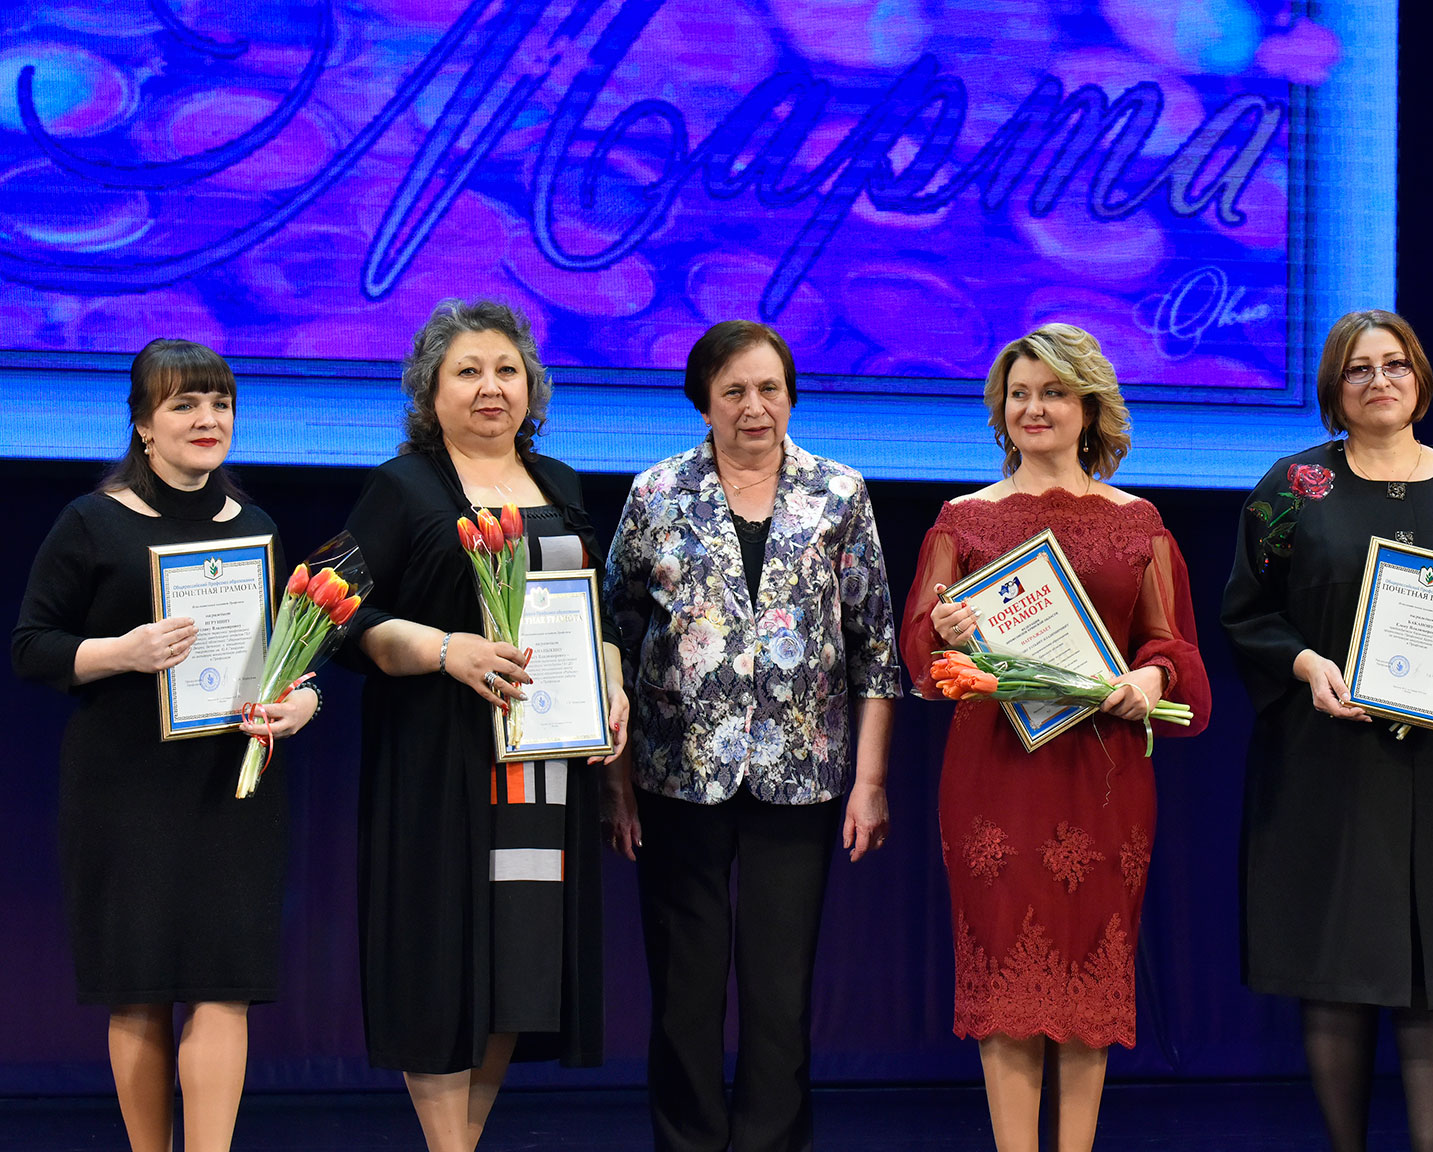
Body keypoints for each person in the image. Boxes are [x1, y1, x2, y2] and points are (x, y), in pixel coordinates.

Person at [1220, 310, 1433, 1152]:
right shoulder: (1293, 486)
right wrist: (1305, 666)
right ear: (1334, 388)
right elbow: (1247, 612)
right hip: (1328, 758)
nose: (1379, 381)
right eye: (1357, 369)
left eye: (1394, 364)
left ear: (1420, 378)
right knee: (1337, 963)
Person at [899, 323, 1211, 1152]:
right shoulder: (962, 520)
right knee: (1008, 981)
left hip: (1104, 777)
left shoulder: (1140, 521)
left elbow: (1172, 644)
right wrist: (946, 631)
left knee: (1089, 979)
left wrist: (1152, 681)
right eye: (1020, 394)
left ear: (1090, 407)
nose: (1033, 408)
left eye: (1054, 393)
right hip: (995, 779)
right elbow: (921, 658)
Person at [12, 338, 319, 1152]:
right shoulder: (92, 522)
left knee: (224, 985)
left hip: (232, 788)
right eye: (184, 404)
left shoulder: (255, 528)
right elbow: (31, 646)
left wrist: (302, 702)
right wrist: (122, 651)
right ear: (144, 425)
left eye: (220, 403)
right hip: (126, 789)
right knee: (141, 987)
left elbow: (286, 653)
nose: (207, 418)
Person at [601, 319, 899, 1152]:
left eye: (769, 388)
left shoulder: (839, 493)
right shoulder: (657, 493)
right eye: (733, 390)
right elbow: (612, 638)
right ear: (704, 403)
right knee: (685, 992)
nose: (754, 406)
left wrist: (870, 784)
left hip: (800, 780)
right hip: (675, 777)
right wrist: (613, 784)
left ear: (791, 396)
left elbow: (877, 651)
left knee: (779, 994)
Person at [342, 300, 629, 1152]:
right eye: (467, 372)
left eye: (506, 370)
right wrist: (444, 650)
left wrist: (611, 682)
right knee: (442, 966)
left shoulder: (561, 484)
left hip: (544, 767)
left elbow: (596, 612)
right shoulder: (404, 488)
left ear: (531, 386)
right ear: (430, 392)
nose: (490, 387)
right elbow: (337, 613)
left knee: (517, 966)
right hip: (441, 766)